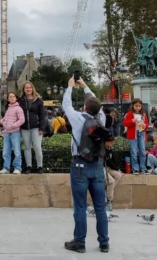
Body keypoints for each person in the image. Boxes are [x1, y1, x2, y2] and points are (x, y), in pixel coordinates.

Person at [62, 76, 112, 254]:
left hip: (79, 165)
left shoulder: (77, 118)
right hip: (97, 165)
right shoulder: (101, 119)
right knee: (100, 206)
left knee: (80, 206)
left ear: (84, 107)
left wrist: (70, 86)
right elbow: (94, 103)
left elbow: (66, 105)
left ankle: (79, 242)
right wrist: (84, 86)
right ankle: (104, 243)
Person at [19, 81, 46, 174]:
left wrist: (42, 128)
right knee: (27, 147)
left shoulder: (38, 100)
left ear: (32, 88)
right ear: (24, 89)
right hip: (24, 127)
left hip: (36, 127)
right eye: (26, 88)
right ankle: (28, 166)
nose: (28, 89)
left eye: (30, 87)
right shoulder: (21, 101)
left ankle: (40, 166)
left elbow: (43, 115)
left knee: (37, 147)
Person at [0, 92, 25, 174]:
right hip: (7, 133)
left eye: (13, 96)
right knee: (6, 151)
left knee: (16, 151)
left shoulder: (18, 108)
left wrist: (13, 126)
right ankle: (6, 168)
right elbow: (6, 119)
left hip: (15, 132)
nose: (12, 98)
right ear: (8, 99)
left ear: (16, 98)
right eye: (10, 97)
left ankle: (17, 168)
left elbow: (22, 120)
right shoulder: (8, 109)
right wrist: (2, 121)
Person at [123, 98, 149, 174]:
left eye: (139, 106)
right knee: (134, 152)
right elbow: (125, 123)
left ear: (141, 106)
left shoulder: (143, 114)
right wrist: (132, 121)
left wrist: (145, 125)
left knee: (142, 151)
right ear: (133, 105)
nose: (138, 108)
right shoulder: (129, 114)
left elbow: (147, 124)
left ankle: (143, 168)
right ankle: (135, 168)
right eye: (136, 106)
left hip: (141, 133)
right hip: (132, 134)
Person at [104, 140, 123, 212]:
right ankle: (109, 200)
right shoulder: (102, 149)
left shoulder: (110, 149)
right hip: (103, 168)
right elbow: (108, 161)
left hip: (109, 168)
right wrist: (116, 168)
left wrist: (118, 169)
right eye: (111, 142)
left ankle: (108, 190)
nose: (112, 144)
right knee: (111, 181)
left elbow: (113, 160)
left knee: (118, 175)